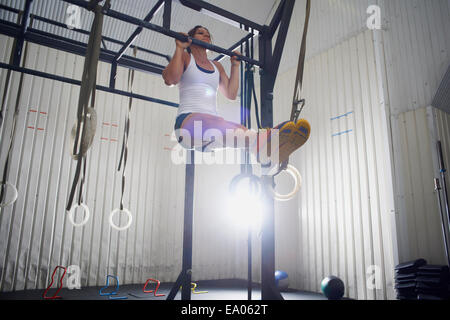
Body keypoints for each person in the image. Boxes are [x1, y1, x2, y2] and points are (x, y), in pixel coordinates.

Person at [162, 25, 310, 165]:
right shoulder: (186, 58)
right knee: (214, 122)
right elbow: (170, 79)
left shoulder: (216, 66)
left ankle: (263, 151)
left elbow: (231, 93)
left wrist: (235, 66)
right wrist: (180, 48)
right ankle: (262, 141)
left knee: (238, 129)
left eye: (208, 34)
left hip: (209, 136)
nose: (206, 35)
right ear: (190, 38)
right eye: (201, 33)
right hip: (186, 126)